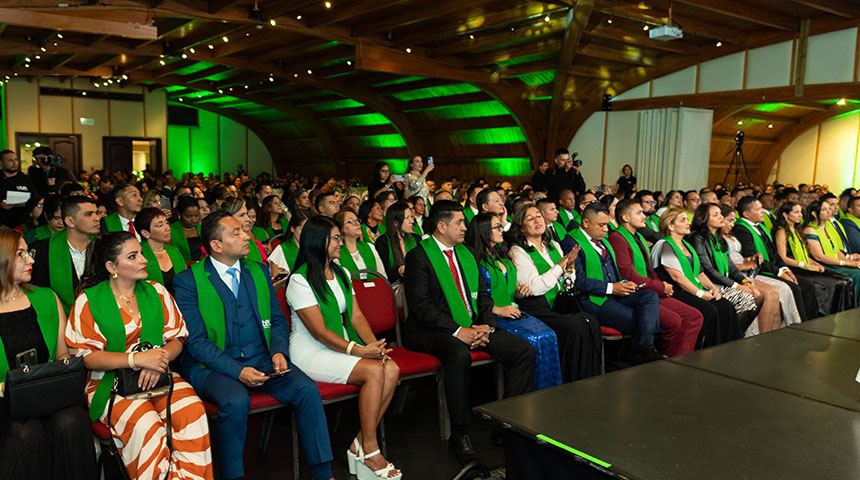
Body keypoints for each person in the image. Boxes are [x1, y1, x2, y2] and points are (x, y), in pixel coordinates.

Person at [173, 211, 334, 480]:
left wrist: (279, 351)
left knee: (306, 389)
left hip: (262, 358)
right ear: (216, 245)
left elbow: (279, 320)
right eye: (235, 232)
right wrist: (237, 371)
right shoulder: (189, 281)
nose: (246, 235)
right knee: (235, 401)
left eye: (243, 230)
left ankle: (323, 472)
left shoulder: (257, 272)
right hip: (213, 366)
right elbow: (196, 342)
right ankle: (234, 475)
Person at [66, 231, 212, 479]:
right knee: (146, 425)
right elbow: (87, 356)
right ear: (112, 266)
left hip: (159, 374)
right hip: (108, 382)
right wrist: (136, 360)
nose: (144, 260)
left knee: (192, 412)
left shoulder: (156, 291)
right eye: (133, 256)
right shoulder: (88, 300)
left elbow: (177, 338)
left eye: (141, 253)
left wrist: (158, 359)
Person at [404, 200, 535, 464]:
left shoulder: (466, 253)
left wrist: (485, 324)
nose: (465, 227)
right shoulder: (419, 256)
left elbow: (483, 296)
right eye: (459, 222)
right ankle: (460, 434)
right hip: (431, 329)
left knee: (524, 351)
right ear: (441, 226)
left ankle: (504, 423)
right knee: (458, 354)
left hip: (474, 325)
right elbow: (421, 307)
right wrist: (458, 331)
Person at [288, 216, 402, 480]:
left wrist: (374, 345)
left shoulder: (340, 271)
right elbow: (319, 331)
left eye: (340, 237)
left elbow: (356, 317)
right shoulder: (300, 279)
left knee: (391, 368)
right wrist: (360, 351)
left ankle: (359, 444)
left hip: (338, 345)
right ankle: (371, 450)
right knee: (374, 371)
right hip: (311, 352)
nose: (341, 242)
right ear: (318, 241)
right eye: (336, 238)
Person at [0, 228, 97, 479]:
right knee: (24, 432)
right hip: (4, 402)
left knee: (72, 421)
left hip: (46, 393)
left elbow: (62, 354)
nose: (31, 259)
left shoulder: (46, 297)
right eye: (20, 254)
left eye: (28, 253)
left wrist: (67, 366)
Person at [467, 213, 562, 390]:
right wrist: (497, 309)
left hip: (513, 311)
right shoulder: (474, 260)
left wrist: (519, 290)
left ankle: (548, 392)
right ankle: (527, 396)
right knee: (533, 340)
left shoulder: (501, 255)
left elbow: (508, 286)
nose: (502, 230)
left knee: (549, 335)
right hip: (492, 315)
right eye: (497, 227)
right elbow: (473, 296)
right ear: (483, 231)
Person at [506, 204, 601, 381]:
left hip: (559, 302)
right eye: (530, 218)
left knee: (590, 322)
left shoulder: (553, 246)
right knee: (574, 326)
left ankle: (589, 377)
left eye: (539, 216)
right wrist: (561, 265)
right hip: (537, 306)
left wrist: (570, 266)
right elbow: (535, 287)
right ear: (521, 227)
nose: (537, 220)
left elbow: (567, 283)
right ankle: (570, 380)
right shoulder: (518, 250)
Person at [569, 202, 664, 362]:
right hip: (594, 299)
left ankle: (643, 350)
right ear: (585, 223)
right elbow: (578, 281)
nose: (606, 229)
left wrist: (624, 283)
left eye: (607, 224)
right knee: (641, 320)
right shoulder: (572, 243)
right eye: (601, 225)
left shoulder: (603, 240)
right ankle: (632, 357)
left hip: (615, 293)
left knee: (648, 296)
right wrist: (612, 288)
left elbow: (614, 271)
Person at [607, 199, 702, 356]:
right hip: (635, 293)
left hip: (651, 289)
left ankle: (682, 358)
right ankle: (664, 361)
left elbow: (649, 271)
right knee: (673, 321)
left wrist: (662, 285)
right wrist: (660, 287)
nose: (644, 216)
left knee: (694, 316)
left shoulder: (639, 237)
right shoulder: (618, 238)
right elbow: (628, 275)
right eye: (639, 213)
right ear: (625, 218)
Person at [651, 208, 742, 347]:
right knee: (709, 310)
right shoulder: (664, 245)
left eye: (687, 219)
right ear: (670, 226)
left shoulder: (686, 245)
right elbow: (677, 277)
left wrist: (712, 288)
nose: (688, 222)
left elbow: (700, 273)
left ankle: (728, 348)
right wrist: (700, 293)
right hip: (675, 291)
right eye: (683, 220)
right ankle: (703, 350)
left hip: (690, 288)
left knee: (725, 306)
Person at [689, 203, 781, 335]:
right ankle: (730, 336)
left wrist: (746, 282)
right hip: (708, 284)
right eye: (715, 215)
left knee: (758, 295)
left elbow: (731, 267)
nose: (721, 217)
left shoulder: (718, 238)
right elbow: (708, 270)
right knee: (748, 298)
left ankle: (734, 334)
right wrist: (737, 286)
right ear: (704, 218)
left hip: (723, 280)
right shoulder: (697, 238)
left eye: (721, 214)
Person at [733, 196, 814, 321]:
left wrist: (785, 269)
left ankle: (808, 321)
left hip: (772, 267)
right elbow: (755, 258)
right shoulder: (741, 229)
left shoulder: (760, 225)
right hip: (758, 271)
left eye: (762, 208)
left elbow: (773, 252)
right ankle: (798, 325)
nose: (762, 211)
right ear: (746, 214)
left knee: (807, 284)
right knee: (795, 288)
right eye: (758, 209)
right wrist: (780, 273)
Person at [770, 201, 849, 318]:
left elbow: (805, 255)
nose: (800, 215)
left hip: (803, 265)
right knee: (834, 282)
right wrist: (806, 265)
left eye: (800, 212)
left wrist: (815, 264)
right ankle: (822, 315)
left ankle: (838, 314)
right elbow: (783, 258)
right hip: (794, 268)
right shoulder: (781, 231)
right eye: (796, 212)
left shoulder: (797, 229)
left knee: (843, 280)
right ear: (785, 215)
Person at [31, 196, 101, 313]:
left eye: (97, 213)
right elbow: (38, 292)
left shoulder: (104, 247)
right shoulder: (42, 250)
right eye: (89, 214)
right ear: (70, 221)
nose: (97, 218)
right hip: (56, 315)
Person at [802, 200, 860, 304]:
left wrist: (850, 262)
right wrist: (846, 263)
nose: (829, 211)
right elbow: (819, 256)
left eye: (829, 208)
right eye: (824, 209)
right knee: (857, 274)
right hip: (824, 265)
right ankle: (853, 307)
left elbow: (837, 251)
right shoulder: (810, 229)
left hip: (835, 262)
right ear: (814, 214)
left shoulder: (828, 226)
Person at [137, 207, 186, 295]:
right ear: (145, 233)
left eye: (166, 223)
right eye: (160, 225)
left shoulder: (174, 251)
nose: (167, 228)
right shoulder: (138, 255)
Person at [334, 209, 386, 279]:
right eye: (351, 221)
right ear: (341, 228)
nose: (357, 223)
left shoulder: (369, 247)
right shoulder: (336, 252)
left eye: (357, 220)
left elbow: (382, 275)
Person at [218, 197, 267, 264]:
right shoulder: (221, 246)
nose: (248, 219)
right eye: (241, 215)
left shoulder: (252, 243)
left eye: (246, 214)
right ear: (228, 218)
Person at [0, 150, 36, 228]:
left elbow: (35, 199)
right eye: (10, 160)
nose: (14, 163)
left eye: (16, 160)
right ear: (1, 162)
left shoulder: (26, 179)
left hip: (22, 222)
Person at [269, 210, 311, 277]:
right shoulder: (282, 250)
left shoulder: (315, 247)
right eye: (303, 229)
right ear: (292, 229)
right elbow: (277, 282)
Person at [170, 195, 203, 263]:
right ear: (179, 214)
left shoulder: (201, 228)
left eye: (196, 215)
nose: (193, 220)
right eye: (188, 216)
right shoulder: (171, 230)